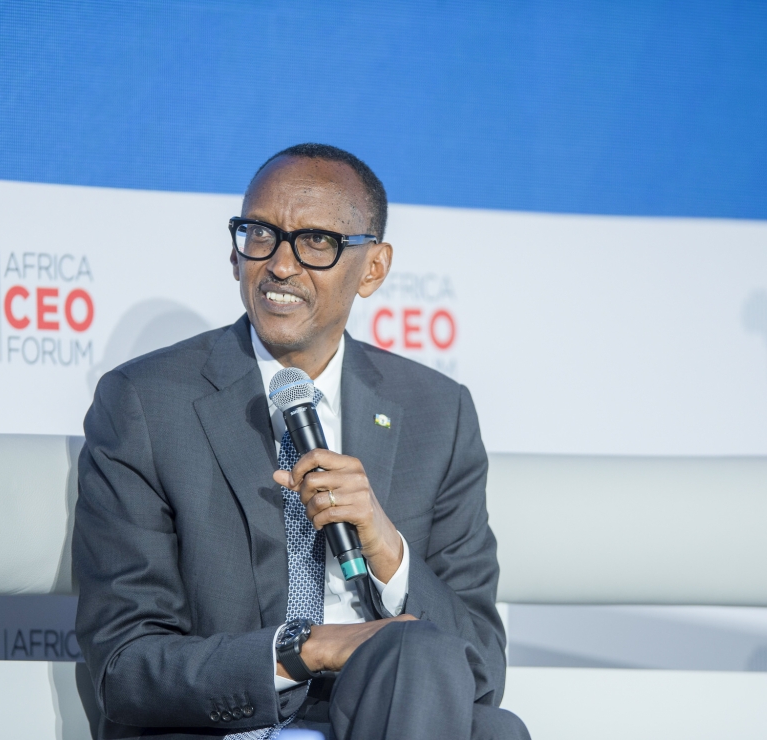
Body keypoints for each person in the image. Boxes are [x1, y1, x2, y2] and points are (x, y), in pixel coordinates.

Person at [73, 143, 530, 740]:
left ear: (373, 268)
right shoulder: (145, 402)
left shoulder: (436, 414)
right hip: (233, 723)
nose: (280, 265)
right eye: (260, 233)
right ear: (235, 255)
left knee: (456, 690)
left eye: (317, 241)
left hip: (392, 708)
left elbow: (480, 666)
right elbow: (125, 667)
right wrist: (309, 649)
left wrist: (388, 552)